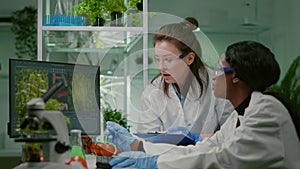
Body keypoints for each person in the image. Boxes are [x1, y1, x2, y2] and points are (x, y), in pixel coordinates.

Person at [106, 40, 300, 169]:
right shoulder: (242, 113)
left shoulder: (266, 111)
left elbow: (222, 158)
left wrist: (155, 162)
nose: (213, 76)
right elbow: (205, 148)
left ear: (236, 77)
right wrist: (141, 147)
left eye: (218, 69)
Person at [138, 17, 233, 135]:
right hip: (170, 153)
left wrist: (204, 140)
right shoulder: (153, 91)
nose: (161, 67)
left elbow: (231, 132)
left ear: (189, 58)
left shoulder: (217, 84)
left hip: (209, 152)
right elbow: (147, 137)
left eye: (168, 59)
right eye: (158, 60)